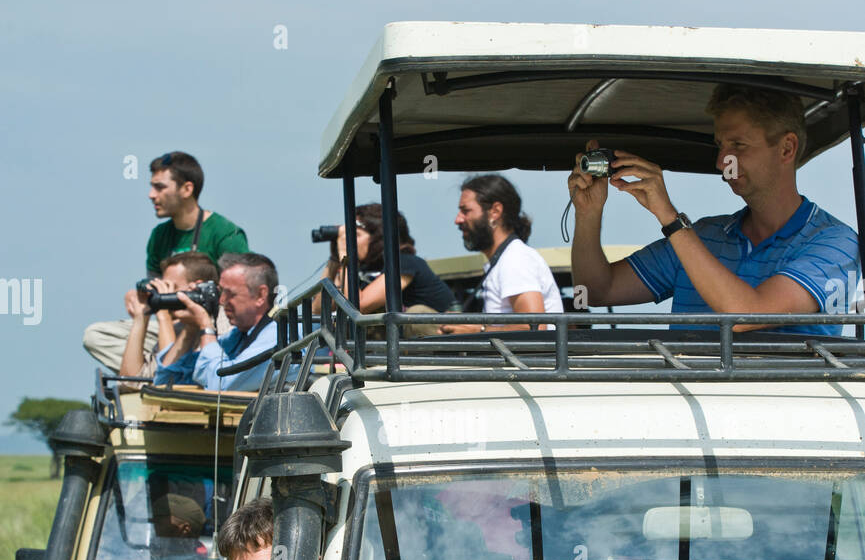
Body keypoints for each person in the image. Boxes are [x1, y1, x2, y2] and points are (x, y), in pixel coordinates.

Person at [568, 85, 861, 335]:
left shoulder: (836, 243)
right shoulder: (703, 236)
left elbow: (746, 315)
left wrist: (670, 219)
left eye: (737, 145)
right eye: (720, 145)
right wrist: (588, 213)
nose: (722, 162)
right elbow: (594, 290)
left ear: (786, 148)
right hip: (684, 402)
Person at [83, 150, 248, 373]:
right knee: (95, 336)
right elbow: (157, 293)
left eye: (159, 187)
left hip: (212, 321)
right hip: (169, 321)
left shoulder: (225, 233)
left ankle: (154, 369)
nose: (151, 195)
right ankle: (164, 367)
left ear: (187, 189)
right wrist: (144, 298)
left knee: (228, 327)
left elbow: (240, 296)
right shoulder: (159, 236)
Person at [440, 174, 563, 332]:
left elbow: (534, 328)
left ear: (495, 211)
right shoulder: (508, 258)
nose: (458, 219)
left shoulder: (515, 259)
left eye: (466, 211)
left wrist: (477, 330)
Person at [312, 203, 455, 328]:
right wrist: (335, 259)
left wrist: (345, 254)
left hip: (436, 342)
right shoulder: (364, 271)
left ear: (378, 238)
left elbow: (359, 306)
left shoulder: (406, 263)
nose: (349, 241)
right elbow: (319, 310)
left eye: (356, 235)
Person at [154, 252, 279, 391]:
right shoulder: (235, 338)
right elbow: (166, 383)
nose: (221, 300)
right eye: (220, 292)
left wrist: (205, 326)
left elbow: (222, 385)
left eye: (230, 293)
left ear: (260, 295)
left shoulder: (276, 337)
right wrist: (190, 329)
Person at [118, 252, 227, 381]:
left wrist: (162, 312)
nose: (164, 293)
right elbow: (130, 382)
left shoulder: (224, 321)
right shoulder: (180, 326)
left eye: (171, 287)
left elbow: (167, 382)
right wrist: (141, 317)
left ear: (197, 286)